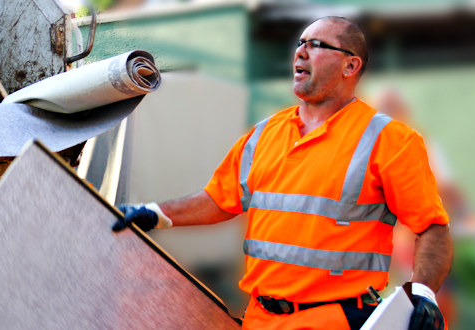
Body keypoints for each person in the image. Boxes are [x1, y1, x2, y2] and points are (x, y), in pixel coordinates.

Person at [114, 17, 453, 330]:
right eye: (300, 43)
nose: (301, 51)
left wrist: (422, 291)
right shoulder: (265, 133)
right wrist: (156, 213)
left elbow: (432, 226)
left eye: (317, 44)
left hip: (335, 320)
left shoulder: (390, 140)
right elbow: (218, 200)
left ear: (351, 65)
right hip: (260, 318)